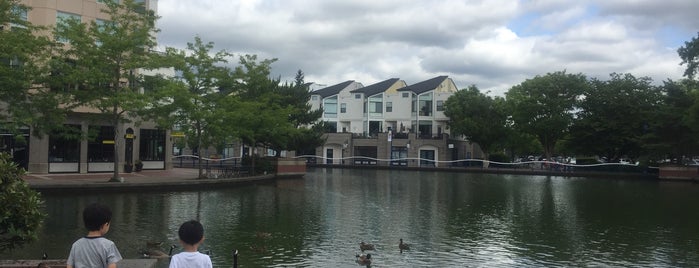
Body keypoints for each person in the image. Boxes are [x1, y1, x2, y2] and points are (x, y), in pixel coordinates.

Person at [67, 203, 122, 268]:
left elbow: (69, 265)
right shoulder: (109, 245)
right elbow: (112, 266)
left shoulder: (76, 245)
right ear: (105, 225)